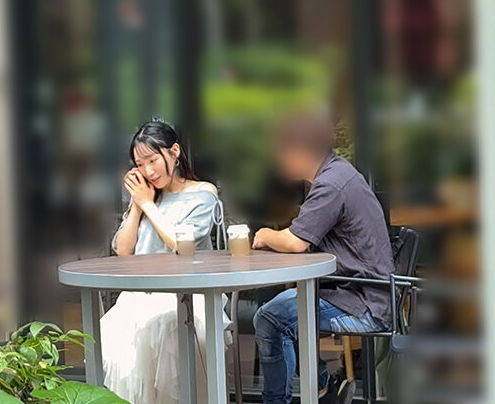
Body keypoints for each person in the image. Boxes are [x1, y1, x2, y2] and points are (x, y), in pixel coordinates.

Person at [251, 114, 394, 404]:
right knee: (276, 311)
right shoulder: (337, 173)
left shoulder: (330, 184)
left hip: (363, 303)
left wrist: (264, 234)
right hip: (358, 291)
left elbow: (295, 241)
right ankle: (323, 388)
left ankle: (288, 397)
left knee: (270, 319)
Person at [101, 121, 229, 404]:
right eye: (140, 164)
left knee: (162, 327)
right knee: (118, 329)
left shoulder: (203, 193)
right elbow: (123, 250)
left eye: (153, 160)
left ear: (174, 152)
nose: (148, 171)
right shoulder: (146, 196)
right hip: (141, 293)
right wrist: (138, 204)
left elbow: (180, 243)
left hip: (189, 293)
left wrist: (147, 204)